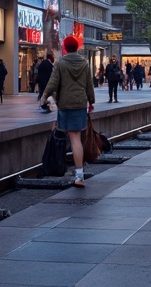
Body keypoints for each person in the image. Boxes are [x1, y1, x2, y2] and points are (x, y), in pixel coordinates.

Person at [41, 35, 96, 187]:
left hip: (65, 104)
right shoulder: (84, 63)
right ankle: (78, 173)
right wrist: (91, 101)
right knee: (76, 137)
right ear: (77, 47)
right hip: (79, 103)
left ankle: (75, 173)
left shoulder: (61, 63)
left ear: (65, 47)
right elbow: (89, 84)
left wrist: (44, 96)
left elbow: (53, 82)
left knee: (69, 137)